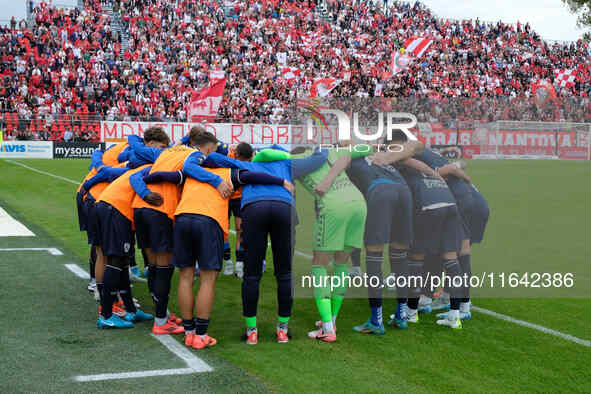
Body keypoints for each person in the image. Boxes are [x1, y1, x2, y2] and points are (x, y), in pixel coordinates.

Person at [169, 132, 294, 349]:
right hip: (208, 220)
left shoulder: (190, 170)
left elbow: (166, 176)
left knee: (185, 277)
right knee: (208, 279)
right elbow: (256, 177)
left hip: (182, 217)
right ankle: (200, 335)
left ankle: (189, 331)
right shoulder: (232, 172)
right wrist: (281, 181)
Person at [202, 146, 329, 344]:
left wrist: (227, 151)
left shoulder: (247, 164)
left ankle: (252, 331)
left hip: (254, 209)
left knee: (251, 274)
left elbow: (211, 158)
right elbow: (320, 159)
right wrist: (317, 147)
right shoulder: (288, 163)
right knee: (285, 273)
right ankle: (283, 331)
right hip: (284, 208)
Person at [317, 139, 423, 334]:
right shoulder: (375, 151)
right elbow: (414, 150)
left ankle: (376, 321)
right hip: (403, 191)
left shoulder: (346, 155)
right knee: (399, 258)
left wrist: (328, 180)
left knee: (374, 257)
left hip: (381, 191)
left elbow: (343, 168)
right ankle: (401, 316)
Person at [290, 144, 370, 342]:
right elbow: (367, 148)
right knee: (342, 263)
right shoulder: (332, 152)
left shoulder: (294, 163)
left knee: (319, 265)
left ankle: (327, 329)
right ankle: (332, 320)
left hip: (334, 206)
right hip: (358, 203)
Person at [92, 128, 170, 328]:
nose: (164, 151)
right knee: (116, 261)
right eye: (162, 147)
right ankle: (106, 315)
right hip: (115, 209)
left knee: (123, 261)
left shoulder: (143, 165)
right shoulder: (151, 166)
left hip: (109, 206)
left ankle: (130, 310)